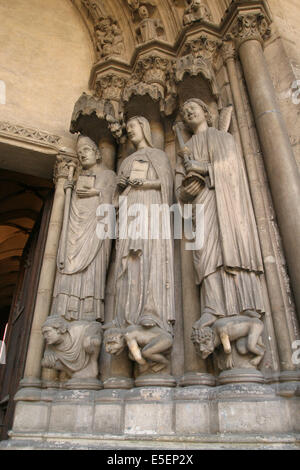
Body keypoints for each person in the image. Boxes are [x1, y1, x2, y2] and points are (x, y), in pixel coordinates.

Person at [176, 98, 265, 329]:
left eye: (192, 108)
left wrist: (202, 168)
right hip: (200, 205)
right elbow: (178, 188)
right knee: (204, 255)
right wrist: (186, 192)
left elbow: (233, 169)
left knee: (229, 250)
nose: (188, 113)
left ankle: (242, 304)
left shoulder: (222, 137)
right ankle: (212, 307)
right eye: (185, 112)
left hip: (225, 203)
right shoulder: (185, 148)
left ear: (206, 112)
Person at [113, 116, 175, 336]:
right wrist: (119, 188)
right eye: (127, 127)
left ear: (145, 128)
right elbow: (115, 201)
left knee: (149, 254)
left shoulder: (159, 155)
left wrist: (145, 183)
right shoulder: (126, 161)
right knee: (129, 260)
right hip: (130, 209)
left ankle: (151, 309)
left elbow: (167, 185)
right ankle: (128, 314)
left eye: (133, 126)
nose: (129, 131)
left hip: (150, 207)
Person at [51, 135, 116, 322]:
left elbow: (113, 204)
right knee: (69, 267)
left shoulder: (108, 175)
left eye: (86, 150)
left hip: (96, 234)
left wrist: (95, 192)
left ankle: (87, 312)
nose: (82, 156)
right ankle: (66, 311)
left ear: (97, 153)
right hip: (76, 233)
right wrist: (69, 193)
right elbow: (73, 211)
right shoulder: (80, 178)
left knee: (92, 270)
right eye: (79, 153)